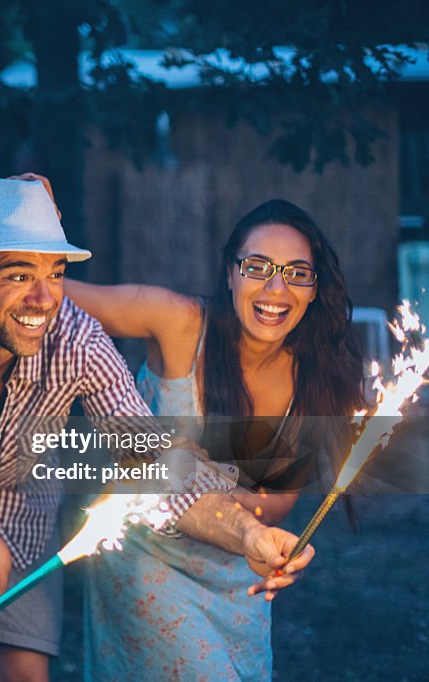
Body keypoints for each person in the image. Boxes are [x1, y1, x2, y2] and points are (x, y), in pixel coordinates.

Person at [0, 179, 316, 682]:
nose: (44, 298)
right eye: (19, 275)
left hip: (25, 510)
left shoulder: (80, 342)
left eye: (57, 274)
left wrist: (250, 533)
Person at [66, 199, 365, 680]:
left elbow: (277, 506)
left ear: (313, 291)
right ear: (230, 275)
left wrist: (206, 484)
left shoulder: (314, 380)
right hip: (146, 558)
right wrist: (33, 226)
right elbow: (53, 295)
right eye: (257, 266)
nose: (275, 287)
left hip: (237, 573)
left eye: (296, 273)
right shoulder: (179, 322)